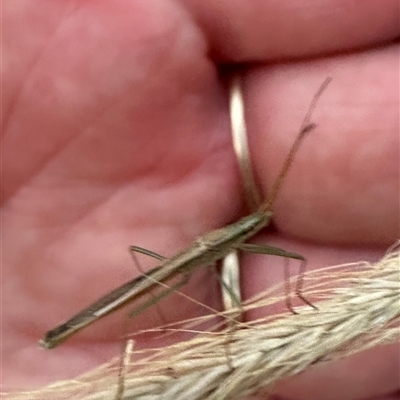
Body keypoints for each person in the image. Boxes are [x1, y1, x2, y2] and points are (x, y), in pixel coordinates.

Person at [3, 1, 399, 398]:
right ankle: (65, 333)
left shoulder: (237, 232)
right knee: (145, 297)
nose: (263, 218)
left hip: (179, 270)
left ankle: (70, 334)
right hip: (165, 275)